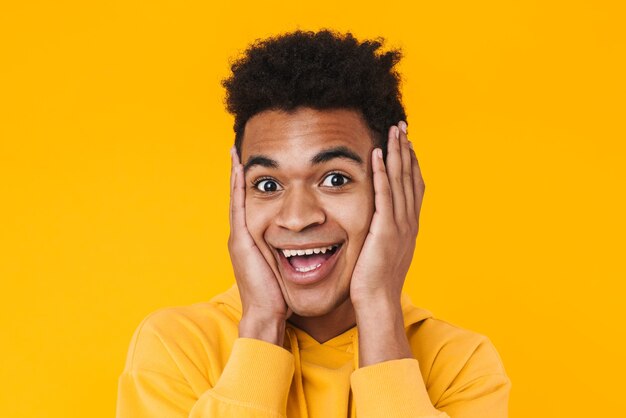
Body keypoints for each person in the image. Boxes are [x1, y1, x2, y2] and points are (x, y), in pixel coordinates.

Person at [116, 30, 511, 418]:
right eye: (268, 184)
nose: (297, 218)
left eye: (335, 179)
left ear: (394, 186)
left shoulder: (459, 364)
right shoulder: (177, 346)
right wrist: (261, 323)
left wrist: (378, 307)